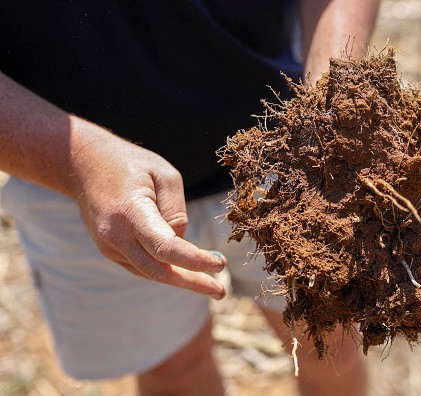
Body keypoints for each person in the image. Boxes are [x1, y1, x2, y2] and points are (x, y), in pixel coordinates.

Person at [0, 1, 380, 395]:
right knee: (173, 374)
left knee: (333, 346)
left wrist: (334, 101)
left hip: (288, 150)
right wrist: (75, 160)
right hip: (73, 176)